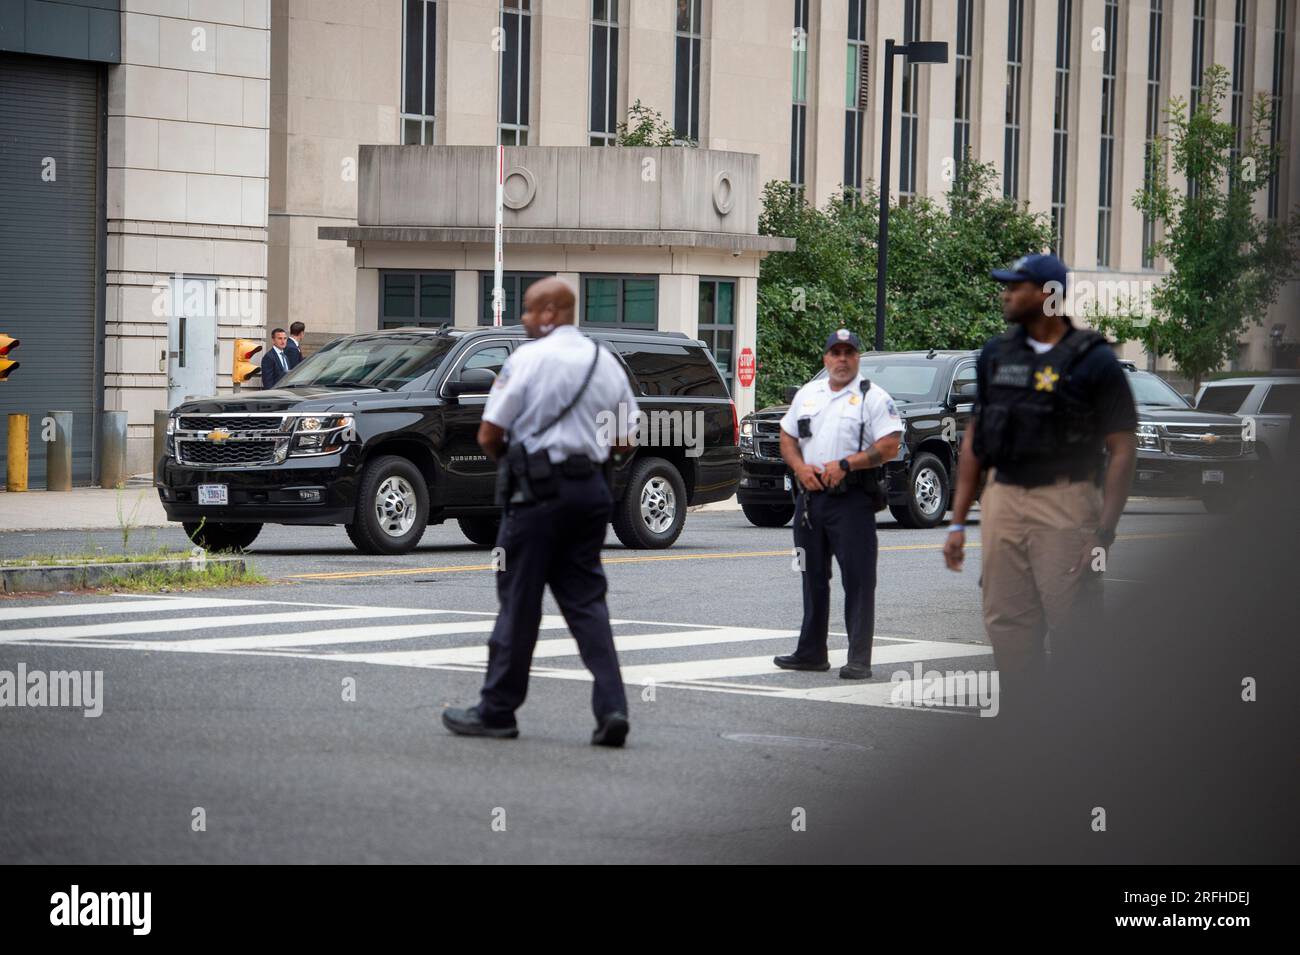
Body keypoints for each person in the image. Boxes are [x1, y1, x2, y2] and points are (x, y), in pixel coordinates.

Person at [442, 277, 639, 746]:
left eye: (529, 311)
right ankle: (612, 708)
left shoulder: (526, 359)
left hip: (536, 496)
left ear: (550, 312)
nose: (525, 320)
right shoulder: (604, 361)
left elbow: (490, 434)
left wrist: (523, 465)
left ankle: (497, 712)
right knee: (588, 602)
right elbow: (628, 437)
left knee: (519, 602)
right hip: (590, 492)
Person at [943, 253, 1137, 683]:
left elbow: (1123, 448)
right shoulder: (996, 354)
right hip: (1003, 497)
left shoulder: (1094, 360)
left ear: (1049, 295)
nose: (1006, 293)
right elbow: (976, 436)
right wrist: (957, 522)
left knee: (1074, 623)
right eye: (1006, 285)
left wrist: (1104, 532)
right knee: (1006, 623)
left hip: (1066, 501)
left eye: (1016, 286)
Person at [773, 328, 904, 679]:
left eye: (849, 352)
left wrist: (847, 464)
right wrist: (800, 468)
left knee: (858, 581)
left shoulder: (872, 397)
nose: (842, 359)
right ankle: (811, 652)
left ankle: (859, 658)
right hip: (810, 501)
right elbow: (787, 435)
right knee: (811, 575)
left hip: (853, 500)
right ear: (826, 358)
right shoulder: (809, 394)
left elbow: (891, 443)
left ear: (858, 358)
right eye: (836, 352)